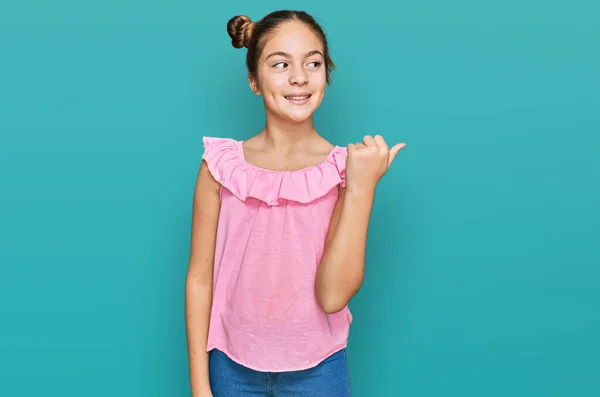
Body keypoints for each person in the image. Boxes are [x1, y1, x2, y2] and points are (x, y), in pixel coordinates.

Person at [185, 10, 406, 397]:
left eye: (313, 62)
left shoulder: (345, 170)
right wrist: (200, 387)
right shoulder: (220, 167)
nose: (299, 77)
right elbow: (200, 279)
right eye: (281, 64)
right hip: (230, 369)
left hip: (319, 371)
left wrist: (362, 188)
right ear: (254, 80)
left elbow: (333, 295)